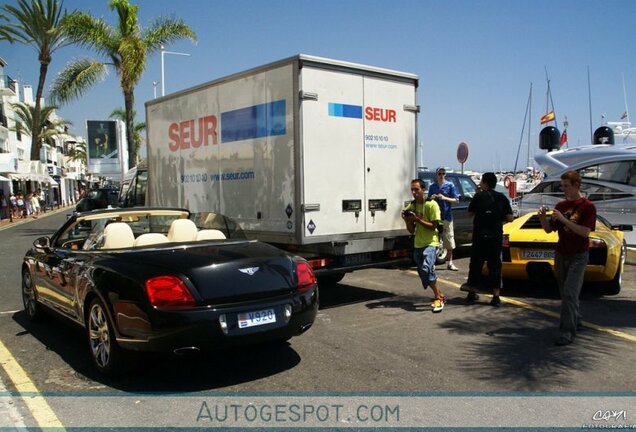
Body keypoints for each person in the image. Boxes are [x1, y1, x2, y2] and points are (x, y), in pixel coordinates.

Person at [538, 170, 596, 346]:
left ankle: (567, 332)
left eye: (566, 186)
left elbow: (584, 232)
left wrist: (563, 220)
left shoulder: (587, 206)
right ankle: (575, 319)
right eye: (562, 186)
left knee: (571, 293)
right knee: (565, 292)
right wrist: (543, 218)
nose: (563, 189)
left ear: (576, 185)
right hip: (561, 253)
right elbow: (549, 230)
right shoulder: (561, 205)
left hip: (578, 255)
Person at [461, 172, 514, 307]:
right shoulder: (502, 198)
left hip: (479, 235)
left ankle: (471, 293)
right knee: (495, 266)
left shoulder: (478, 197)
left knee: (476, 264)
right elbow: (510, 218)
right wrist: (497, 219)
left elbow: (469, 213)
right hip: (495, 236)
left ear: (484, 183)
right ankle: (496, 296)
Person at [403, 178, 447, 313]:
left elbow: (433, 226)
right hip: (418, 243)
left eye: (416, 189)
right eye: (412, 190)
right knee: (423, 271)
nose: (414, 192)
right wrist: (407, 220)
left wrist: (418, 219)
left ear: (423, 189)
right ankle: (440, 294)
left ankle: (437, 298)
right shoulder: (412, 206)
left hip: (431, 242)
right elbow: (411, 230)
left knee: (427, 268)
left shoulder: (432, 205)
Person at [428, 167, 460, 271]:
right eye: (439, 173)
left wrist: (445, 198)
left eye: (443, 173)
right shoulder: (432, 186)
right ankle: (432, 263)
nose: (441, 175)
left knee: (449, 239)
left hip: (447, 216)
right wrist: (432, 198)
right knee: (434, 240)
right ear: (436, 175)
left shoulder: (450, 185)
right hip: (435, 217)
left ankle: (450, 262)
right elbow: (428, 201)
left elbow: (456, 200)